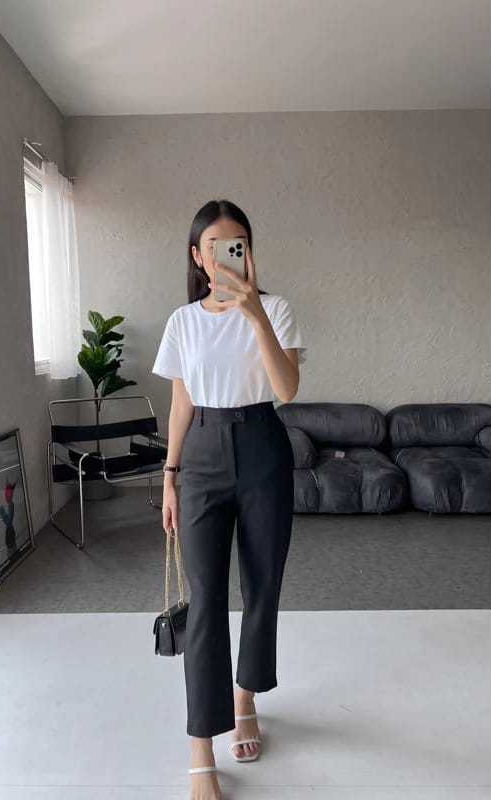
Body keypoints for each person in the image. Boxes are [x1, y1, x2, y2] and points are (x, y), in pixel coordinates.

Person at [151, 199, 306, 800]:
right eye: (214, 247)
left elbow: (286, 388)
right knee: (206, 599)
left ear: (249, 251)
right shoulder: (182, 322)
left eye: (237, 244)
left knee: (262, 586)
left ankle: (245, 700)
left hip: (264, 445)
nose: (226, 256)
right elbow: (181, 403)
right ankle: (200, 747)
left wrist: (254, 315)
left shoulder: (276, 309)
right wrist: (170, 473)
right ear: (198, 256)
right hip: (202, 455)